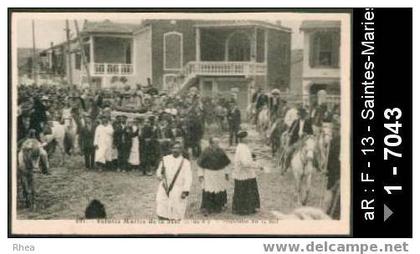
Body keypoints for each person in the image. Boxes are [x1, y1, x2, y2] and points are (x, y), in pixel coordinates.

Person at [156, 142, 192, 220]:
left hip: (178, 189)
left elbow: (188, 178)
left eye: (178, 148)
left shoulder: (185, 162)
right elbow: (158, 173)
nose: (176, 150)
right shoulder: (165, 159)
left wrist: (185, 191)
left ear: (181, 150)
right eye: (174, 148)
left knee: (177, 210)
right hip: (164, 188)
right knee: (162, 207)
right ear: (171, 149)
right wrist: (160, 174)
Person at [197, 137, 231, 214]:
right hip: (209, 174)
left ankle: (219, 206)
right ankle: (208, 207)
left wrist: (226, 173)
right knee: (209, 189)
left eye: (218, 143)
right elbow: (200, 165)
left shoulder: (221, 151)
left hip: (220, 173)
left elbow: (225, 164)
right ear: (211, 143)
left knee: (219, 188)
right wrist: (201, 175)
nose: (218, 144)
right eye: (216, 143)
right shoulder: (205, 152)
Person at [232, 130, 261, 215]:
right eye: (247, 137)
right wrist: (256, 165)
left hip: (246, 173)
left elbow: (247, 159)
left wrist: (252, 158)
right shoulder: (241, 148)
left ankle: (248, 208)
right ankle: (242, 210)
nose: (248, 139)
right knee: (244, 191)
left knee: (247, 190)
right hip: (243, 173)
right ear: (243, 139)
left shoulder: (243, 147)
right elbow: (245, 163)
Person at [17, 138, 40, 209]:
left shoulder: (34, 140)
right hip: (23, 146)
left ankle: (45, 168)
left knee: (43, 154)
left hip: (35, 146)